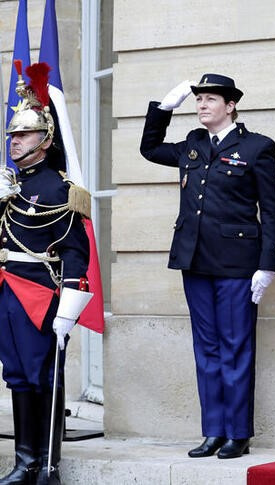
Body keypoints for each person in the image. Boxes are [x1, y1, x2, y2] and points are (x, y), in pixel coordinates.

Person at [140, 73, 275, 459]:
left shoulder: (256, 147)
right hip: (196, 261)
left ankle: (238, 433)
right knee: (207, 349)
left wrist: (267, 264)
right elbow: (149, 149)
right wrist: (163, 108)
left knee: (236, 348)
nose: (202, 104)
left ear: (230, 105)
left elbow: (270, 210)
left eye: (210, 99)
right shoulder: (192, 144)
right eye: (199, 99)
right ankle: (213, 431)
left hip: (238, 264)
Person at [0, 62, 92, 485]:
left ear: (45, 139)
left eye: (22, 135)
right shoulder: (11, 187)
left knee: (43, 375)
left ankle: (46, 463)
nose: (14, 142)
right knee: (17, 375)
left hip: (39, 293)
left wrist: (69, 307)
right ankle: (24, 460)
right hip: (7, 291)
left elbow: (77, 251)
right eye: (12, 136)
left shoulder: (59, 189)